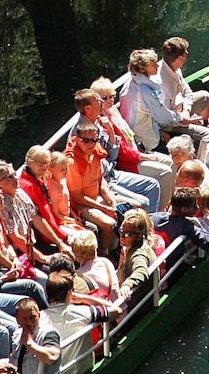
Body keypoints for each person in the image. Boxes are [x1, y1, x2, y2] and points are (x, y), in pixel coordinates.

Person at [91, 76, 175, 208]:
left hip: (135, 153)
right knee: (165, 172)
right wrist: (145, 157)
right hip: (125, 163)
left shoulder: (113, 112)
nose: (110, 100)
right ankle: (161, 211)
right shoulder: (101, 121)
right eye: (104, 98)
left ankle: (169, 206)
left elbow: (128, 138)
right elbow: (121, 152)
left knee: (170, 162)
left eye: (111, 96)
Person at [72, 87, 159, 212]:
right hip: (103, 180)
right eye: (98, 100)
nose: (101, 102)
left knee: (153, 185)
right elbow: (97, 168)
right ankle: (144, 227)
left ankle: (152, 222)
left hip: (112, 172)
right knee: (143, 202)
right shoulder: (80, 133)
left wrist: (111, 131)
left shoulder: (98, 123)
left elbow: (112, 154)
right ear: (88, 108)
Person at [39, 271, 106, 374]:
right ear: (70, 293)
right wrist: (83, 298)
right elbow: (116, 310)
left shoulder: (39, 319)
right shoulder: (83, 313)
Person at [0, 298, 62, 374]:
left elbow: (52, 357)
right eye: (25, 319)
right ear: (18, 320)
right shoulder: (17, 335)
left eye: (32, 317)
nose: (29, 322)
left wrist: (29, 344)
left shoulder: (48, 334)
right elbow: (12, 367)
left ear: (39, 315)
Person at [124, 48, 192, 152]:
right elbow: (162, 117)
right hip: (145, 142)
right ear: (143, 69)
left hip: (139, 134)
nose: (158, 65)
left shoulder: (130, 84)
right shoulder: (145, 92)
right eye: (153, 64)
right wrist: (180, 117)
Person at [65, 125, 118, 254]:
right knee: (109, 224)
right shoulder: (72, 163)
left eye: (93, 140)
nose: (90, 144)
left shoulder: (95, 153)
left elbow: (101, 181)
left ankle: (118, 248)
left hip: (97, 197)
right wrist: (104, 208)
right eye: (85, 140)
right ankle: (104, 252)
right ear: (77, 140)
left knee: (136, 206)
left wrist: (110, 199)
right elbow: (77, 197)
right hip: (82, 205)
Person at [158, 36, 209, 122]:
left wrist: (186, 110)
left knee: (206, 96)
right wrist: (187, 119)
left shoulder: (176, 69)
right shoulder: (160, 81)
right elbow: (165, 116)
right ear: (180, 58)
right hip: (171, 122)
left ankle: (204, 124)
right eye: (185, 52)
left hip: (181, 108)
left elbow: (188, 92)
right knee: (207, 133)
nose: (187, 53)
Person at [149, 187, 209, 255]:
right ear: (184, 209)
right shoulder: (186, 226)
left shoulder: (153, 217)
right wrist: (199, 224)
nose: (197, 207)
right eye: (194, 205)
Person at [116, 209, 158, 312]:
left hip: (138, 309)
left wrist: (127, 284)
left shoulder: (139, 254)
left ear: (139, 235)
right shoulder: (131, 247)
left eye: (127, 234)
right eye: (121, 231)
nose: (122, 236)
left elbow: (141, 270)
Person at [68, 230, 120, 310]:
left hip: (110, 316)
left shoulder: (79, 276)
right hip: (122, 309)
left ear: (75, 251)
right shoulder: (106, 262)